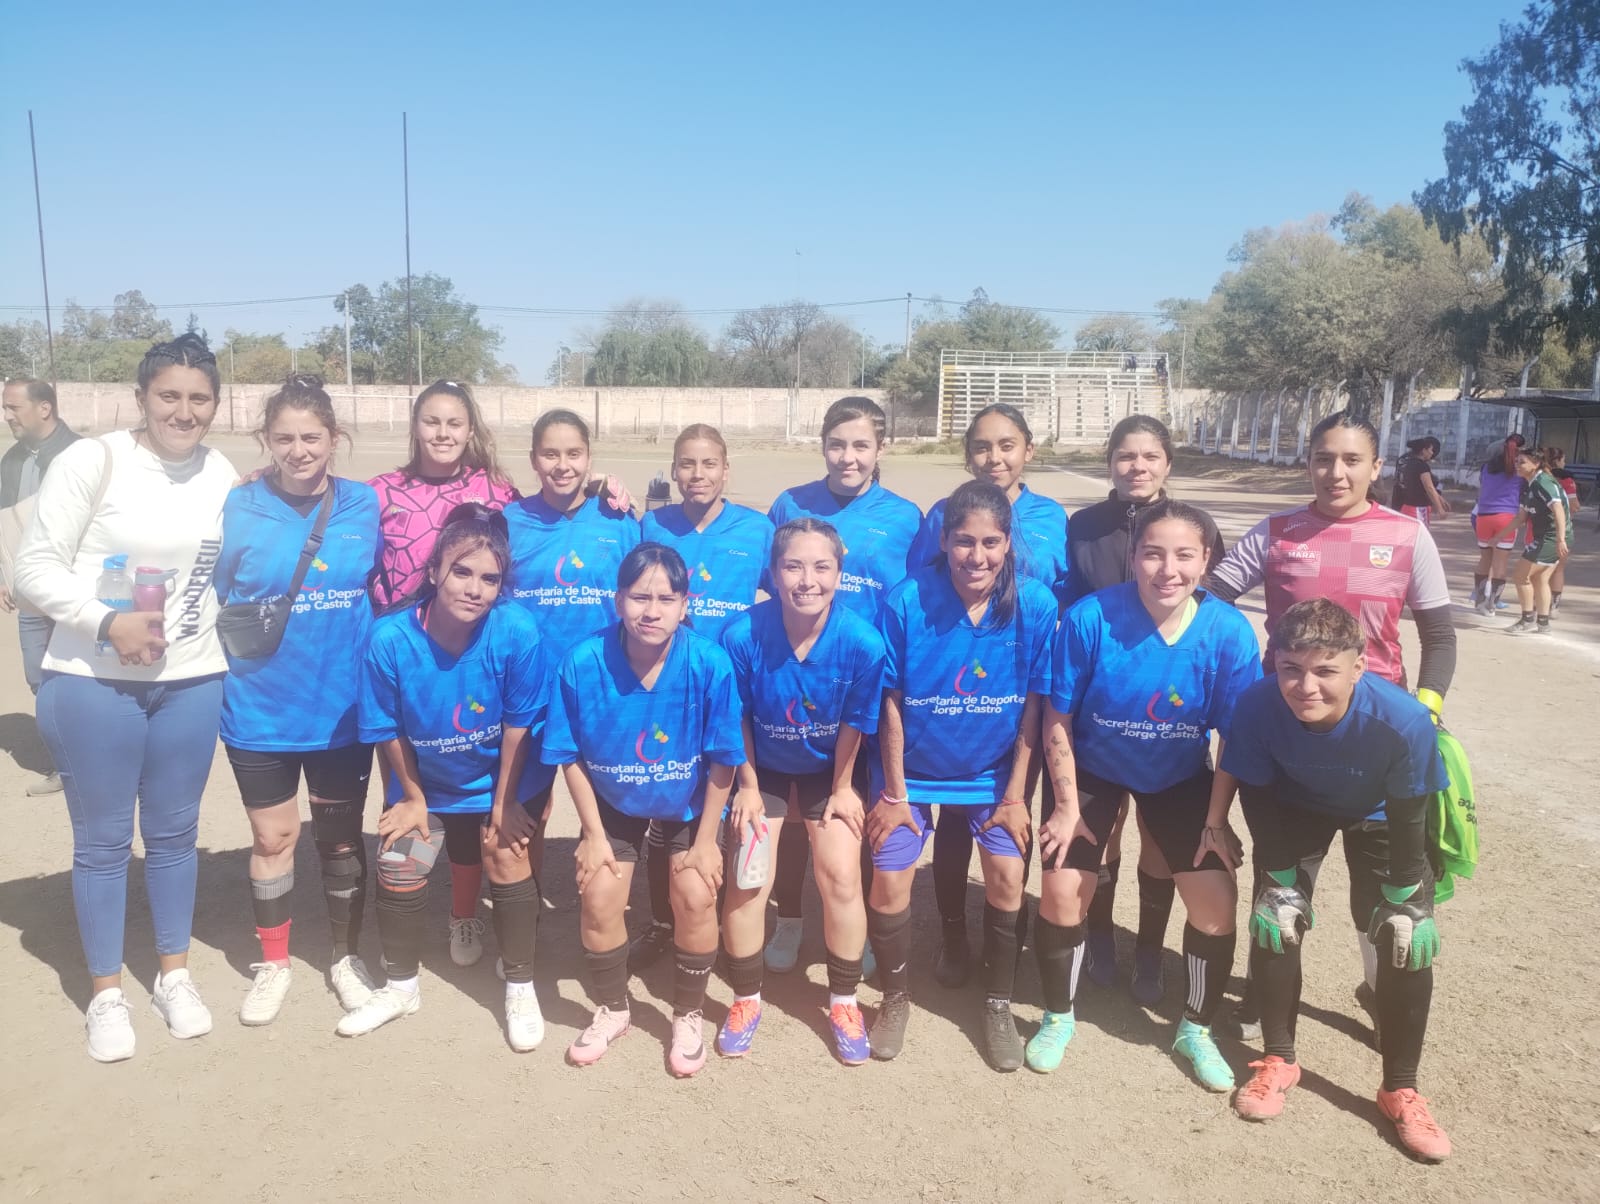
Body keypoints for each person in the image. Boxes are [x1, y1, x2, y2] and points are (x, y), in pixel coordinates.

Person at [15, 334, 236, 1063]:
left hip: (192, 679)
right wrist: (107, 621)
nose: (184, 410)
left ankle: (174, 974)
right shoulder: (94, 460)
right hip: (93, 681)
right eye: (169, 395)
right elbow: (35, 568)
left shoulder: (221, 472)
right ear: (142, 397)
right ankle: (107, 992)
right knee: (106, 842)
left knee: (174, 837)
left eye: (199, 397)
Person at [1206, 411, 1456, 1040]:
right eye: (1323, 458)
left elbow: (1439, 636)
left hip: (1377, 741)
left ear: (1376, 468)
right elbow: (1210, 602)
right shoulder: (1277, 533)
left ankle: (1380, 989)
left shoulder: (1406, 535)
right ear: (1309, 462)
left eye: (1351, 460)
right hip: (1292, 737)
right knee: (1282, 876)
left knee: (1381, 893)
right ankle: (1271, 996)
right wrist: (1246, 688)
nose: (1335, 471)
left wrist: (1425, 709)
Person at [1033, 500, 1260, 1088]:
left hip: (1179, 776)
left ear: (1206, 560)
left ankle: (1195, 1028)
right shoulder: (1090, 618)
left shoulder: (1228, 632)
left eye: (1185, 555)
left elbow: (1234, 736)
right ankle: (1059, 1016)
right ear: (1133, 557)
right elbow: (1055, 718)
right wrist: (1062, 806)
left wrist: (1217, 819)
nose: (1168, 569)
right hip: (1094, 770)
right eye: (1153, 553)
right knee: (1061, 889)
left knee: (1215, 906)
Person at [1216, 599, 1452, 1163]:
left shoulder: (1404, 721)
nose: (1306, 686)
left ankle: (1400, 1086)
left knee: (1405, 940)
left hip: (1379, 814)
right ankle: (1279, 1058)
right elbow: (1258, 794)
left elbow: (1410, 813)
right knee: (1275, 921)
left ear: (1358, 667)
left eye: (1325, 670)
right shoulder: (1254, 705)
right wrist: (1277, 879)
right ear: (1275, 663)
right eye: (1292, 669)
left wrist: (1404, 896)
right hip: (1295, 808)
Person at [866, 481, 1056, 1070]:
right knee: (891, 878)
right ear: (944, 540)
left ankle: (996, 1002)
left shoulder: (1037, 604)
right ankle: (895, 998)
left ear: (1009, 544)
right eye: (964, 541)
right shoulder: (905, 600)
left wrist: (1018, 795)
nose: (977, 556)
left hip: (992, 775)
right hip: (912, 774)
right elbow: (891, 701)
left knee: (1006, 872)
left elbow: (1034, 704)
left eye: (991, 542)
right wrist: (895, 794)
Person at [346, 504, 552, 1051]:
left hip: (498, 780)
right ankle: (401, 986)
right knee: (401, 859)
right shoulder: (389, 638)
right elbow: (386, 727)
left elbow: (516, 728)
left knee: (507, 855)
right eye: (462, 572)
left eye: (490, 579)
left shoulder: (517, 630)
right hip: (426, 783)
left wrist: (505, 802)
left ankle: (520, 986)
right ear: (435, 569)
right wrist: (412, 797)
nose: (475, 589)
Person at [214, 375, 381, 1025]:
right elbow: (209, 590)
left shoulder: (364, 504)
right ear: (265, 441)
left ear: (335, 439)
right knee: (272, 835)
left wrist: (599, 490)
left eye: (312, 437)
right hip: (258, 706)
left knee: (340, 842)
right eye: (283, 438)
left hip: (342, 709)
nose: (299, 450)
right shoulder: (236, 507)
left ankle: (343, 957)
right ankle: (274, 962)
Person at [542, 543, 744, 1077]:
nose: (650, 611)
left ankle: (688, 1012)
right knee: (600, 895)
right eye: (638, 597)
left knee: (696, 895)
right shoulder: (582, 662)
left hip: (688, 804)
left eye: (665, 598)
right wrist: (592, 834)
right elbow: (569, 756)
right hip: (613, 803)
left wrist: (706, 841)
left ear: (685, 604)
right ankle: (613, 1008)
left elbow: (725, 758)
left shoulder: (709, 662)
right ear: (617, 599)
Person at [906, 403, 1068, 990]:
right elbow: (926, 592)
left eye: (1006, 445)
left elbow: (1059, 594)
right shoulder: (941, 514)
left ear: (1028, 448)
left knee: (1012, 822)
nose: (993, 458)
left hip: (1019, 682)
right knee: (953, 827)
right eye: (981, 446)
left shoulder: (1051, 517)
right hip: (953, 687)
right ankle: (953, 938)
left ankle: (1009, 948)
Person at [1063, 415, 1225, 1002]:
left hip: (1165, 694)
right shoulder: (1082, 526)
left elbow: (1205, 598)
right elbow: (1070, 598)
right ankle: (1101, 934)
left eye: (1150, 457)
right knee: (1104, 833)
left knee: (1159, 839)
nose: (1138, 467)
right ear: (1110, 462)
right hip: (1102, 689)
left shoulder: (1187, 525)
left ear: (1167, 464)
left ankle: (1151, 952)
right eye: (1126, 456)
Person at [719, 518, 886, 1064]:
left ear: (840, 574)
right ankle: (746, 999)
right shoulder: (743, 634)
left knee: (839, 870)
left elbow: (857, 724)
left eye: (821, 566)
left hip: (825, 772)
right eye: (793, 565)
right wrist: (745, 785)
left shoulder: (862, 642)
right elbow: (737, 718)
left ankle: (843, 1001)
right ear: (772, 573)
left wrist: (842, 788)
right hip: (761, 769)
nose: (807, 579)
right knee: (748, 874)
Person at [765, 396, 919, 976]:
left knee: (858, 804)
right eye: (837, 444)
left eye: (860, 445)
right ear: (822, 445)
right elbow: (772, 585)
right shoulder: (789, 504)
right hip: (799, 676)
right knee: (799, 803)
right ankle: (790, 919)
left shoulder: (906, 516)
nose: (847, 456)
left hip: (869, 680)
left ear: (881, 450)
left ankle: (866, 926)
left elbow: (913, 596)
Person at [366, 380, 517, 970]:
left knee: (471, 806)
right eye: (432, 421)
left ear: (471, 429)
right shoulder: (381, 492)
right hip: (406, 658)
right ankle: (401, 922)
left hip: (474, 655)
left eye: (455, 422)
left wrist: (609, 490)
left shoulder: (496, 492)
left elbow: (551, 512)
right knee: (413, 793)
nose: (443, 433)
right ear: (415, 426)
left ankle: (465, 913)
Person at [631, 424, 772, 970]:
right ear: (673, 469)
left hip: (731, 691)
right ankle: (665, 922)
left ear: (726, 469)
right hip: (668, 688)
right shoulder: (652, 524)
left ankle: (738, 914)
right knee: (666, 810)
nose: (698, 475)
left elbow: (783, 588)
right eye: (687, 464)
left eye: (709, 464)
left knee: (736, 803)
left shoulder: (757, 529)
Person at [1, 377, 80, 795]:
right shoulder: (11, 460)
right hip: (29, 594)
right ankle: (66, 767)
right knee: (40, 677)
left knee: (80, 679)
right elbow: (5, 523)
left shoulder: (81, 455)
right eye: (6, 407)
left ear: (45, 408)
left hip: (74, 593)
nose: (7, 415)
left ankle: (94, 762)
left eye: (14, 407)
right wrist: (4, 573)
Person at [505, 409, 641, 652]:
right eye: (550, 454)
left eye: (574, 454)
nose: (563, 466)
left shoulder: (619, 520)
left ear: (589, 458)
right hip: (531, 674)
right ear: (533, 460)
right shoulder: (509, 522)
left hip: (602, 671)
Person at [1505, 445, 1571, 635]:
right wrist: (1499, 536)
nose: (1517, 464)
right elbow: (1520, 518)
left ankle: (1527, 620)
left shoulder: (1543, 482)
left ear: (1535, 464)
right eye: (1516, 461)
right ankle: (1543, 624)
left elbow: (1558, 509)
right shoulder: (1532, 483)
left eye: (1522, 462)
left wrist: (1560, 539)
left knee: (1520, 576)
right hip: (1547, 536)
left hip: (1551, 538)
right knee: (1540, 578)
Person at [1467, 433, 1526, 614]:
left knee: (1485, 558)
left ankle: (1479, 599)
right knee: (1500, 563)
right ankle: (1492, 603)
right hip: (1506, 517)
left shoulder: (1486, 468)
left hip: (1484, 516)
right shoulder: (1520, 470)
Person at [1544, 447, 1579, 612]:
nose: (1564, 463)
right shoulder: (1565, 478)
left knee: (1540, 570)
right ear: (1557, 461)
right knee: (1558, 569)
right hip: (1562, 527)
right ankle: (1553, 607)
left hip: (1540, 527)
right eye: (1563, 460)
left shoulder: (1540, 476)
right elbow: (1575, 505)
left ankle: (1538, 606)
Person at [1390, 436, 1451, 527]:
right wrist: (1439, 509)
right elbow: (1429, 488)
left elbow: (1421, 486)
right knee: (1420, 538)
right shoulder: (1422, 466)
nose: (1432, 453)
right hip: (1419, 509)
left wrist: (1440, 499)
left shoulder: (1408, 463)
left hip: (1407, 507)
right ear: (1423, 450)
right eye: (1430, 450)